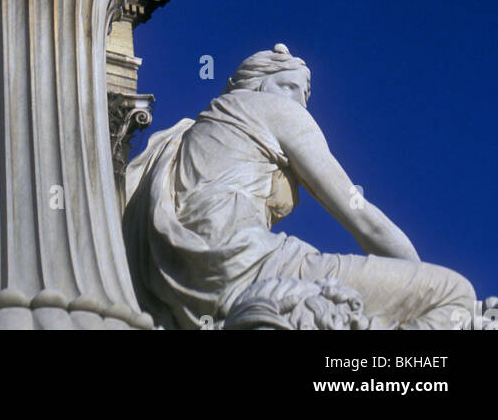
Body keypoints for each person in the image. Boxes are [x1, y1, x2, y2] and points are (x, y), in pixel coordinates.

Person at [123, 44, 478, 330]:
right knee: (453, 294)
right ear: (258, 83)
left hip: (184, 284)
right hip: (247, 261)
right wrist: (411, 279)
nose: (300, 103)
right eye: (290, 87)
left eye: (305, 94)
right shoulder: (272, 109)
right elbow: (360, 215)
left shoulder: (187, 133)